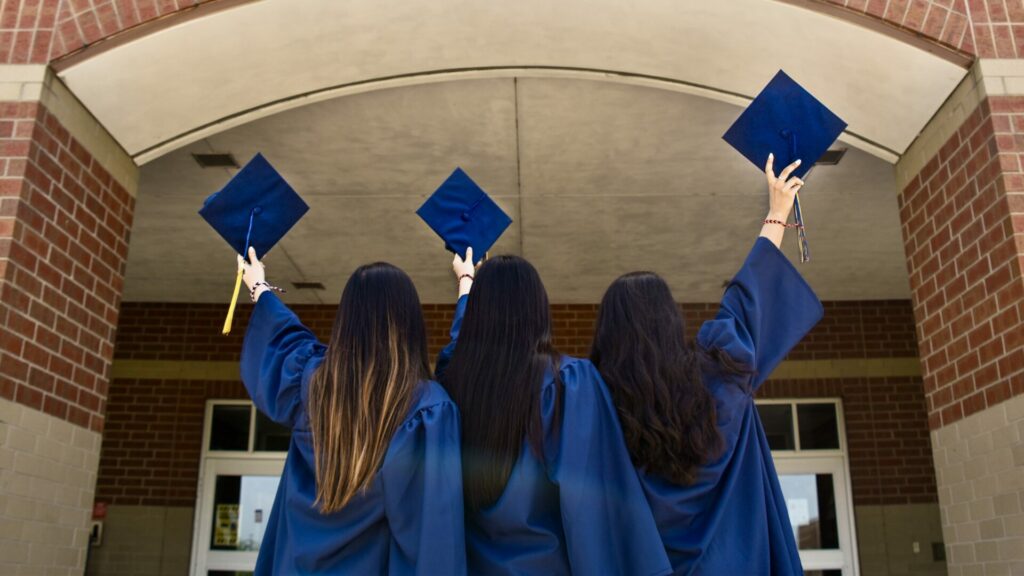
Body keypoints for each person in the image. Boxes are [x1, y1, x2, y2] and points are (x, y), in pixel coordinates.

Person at [590, 155, 824, 575]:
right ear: (670, 321)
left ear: (608, 335)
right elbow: (747, 300)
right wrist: (777, 212)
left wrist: (469, 289)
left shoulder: (595, 407)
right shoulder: (718, 376)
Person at [437, 247, 672, 576]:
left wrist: (467, 285)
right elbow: (590, 509)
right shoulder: (566, 384)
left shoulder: (451, 388)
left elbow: (458, 348)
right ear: (538, 310)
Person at [238, 248, 466, 575]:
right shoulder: (426, 409)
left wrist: (259, 286)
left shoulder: (311, 387)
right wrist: (466, 285)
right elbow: (434, 538)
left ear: (346, 320)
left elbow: (284, 338)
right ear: (411, 323)